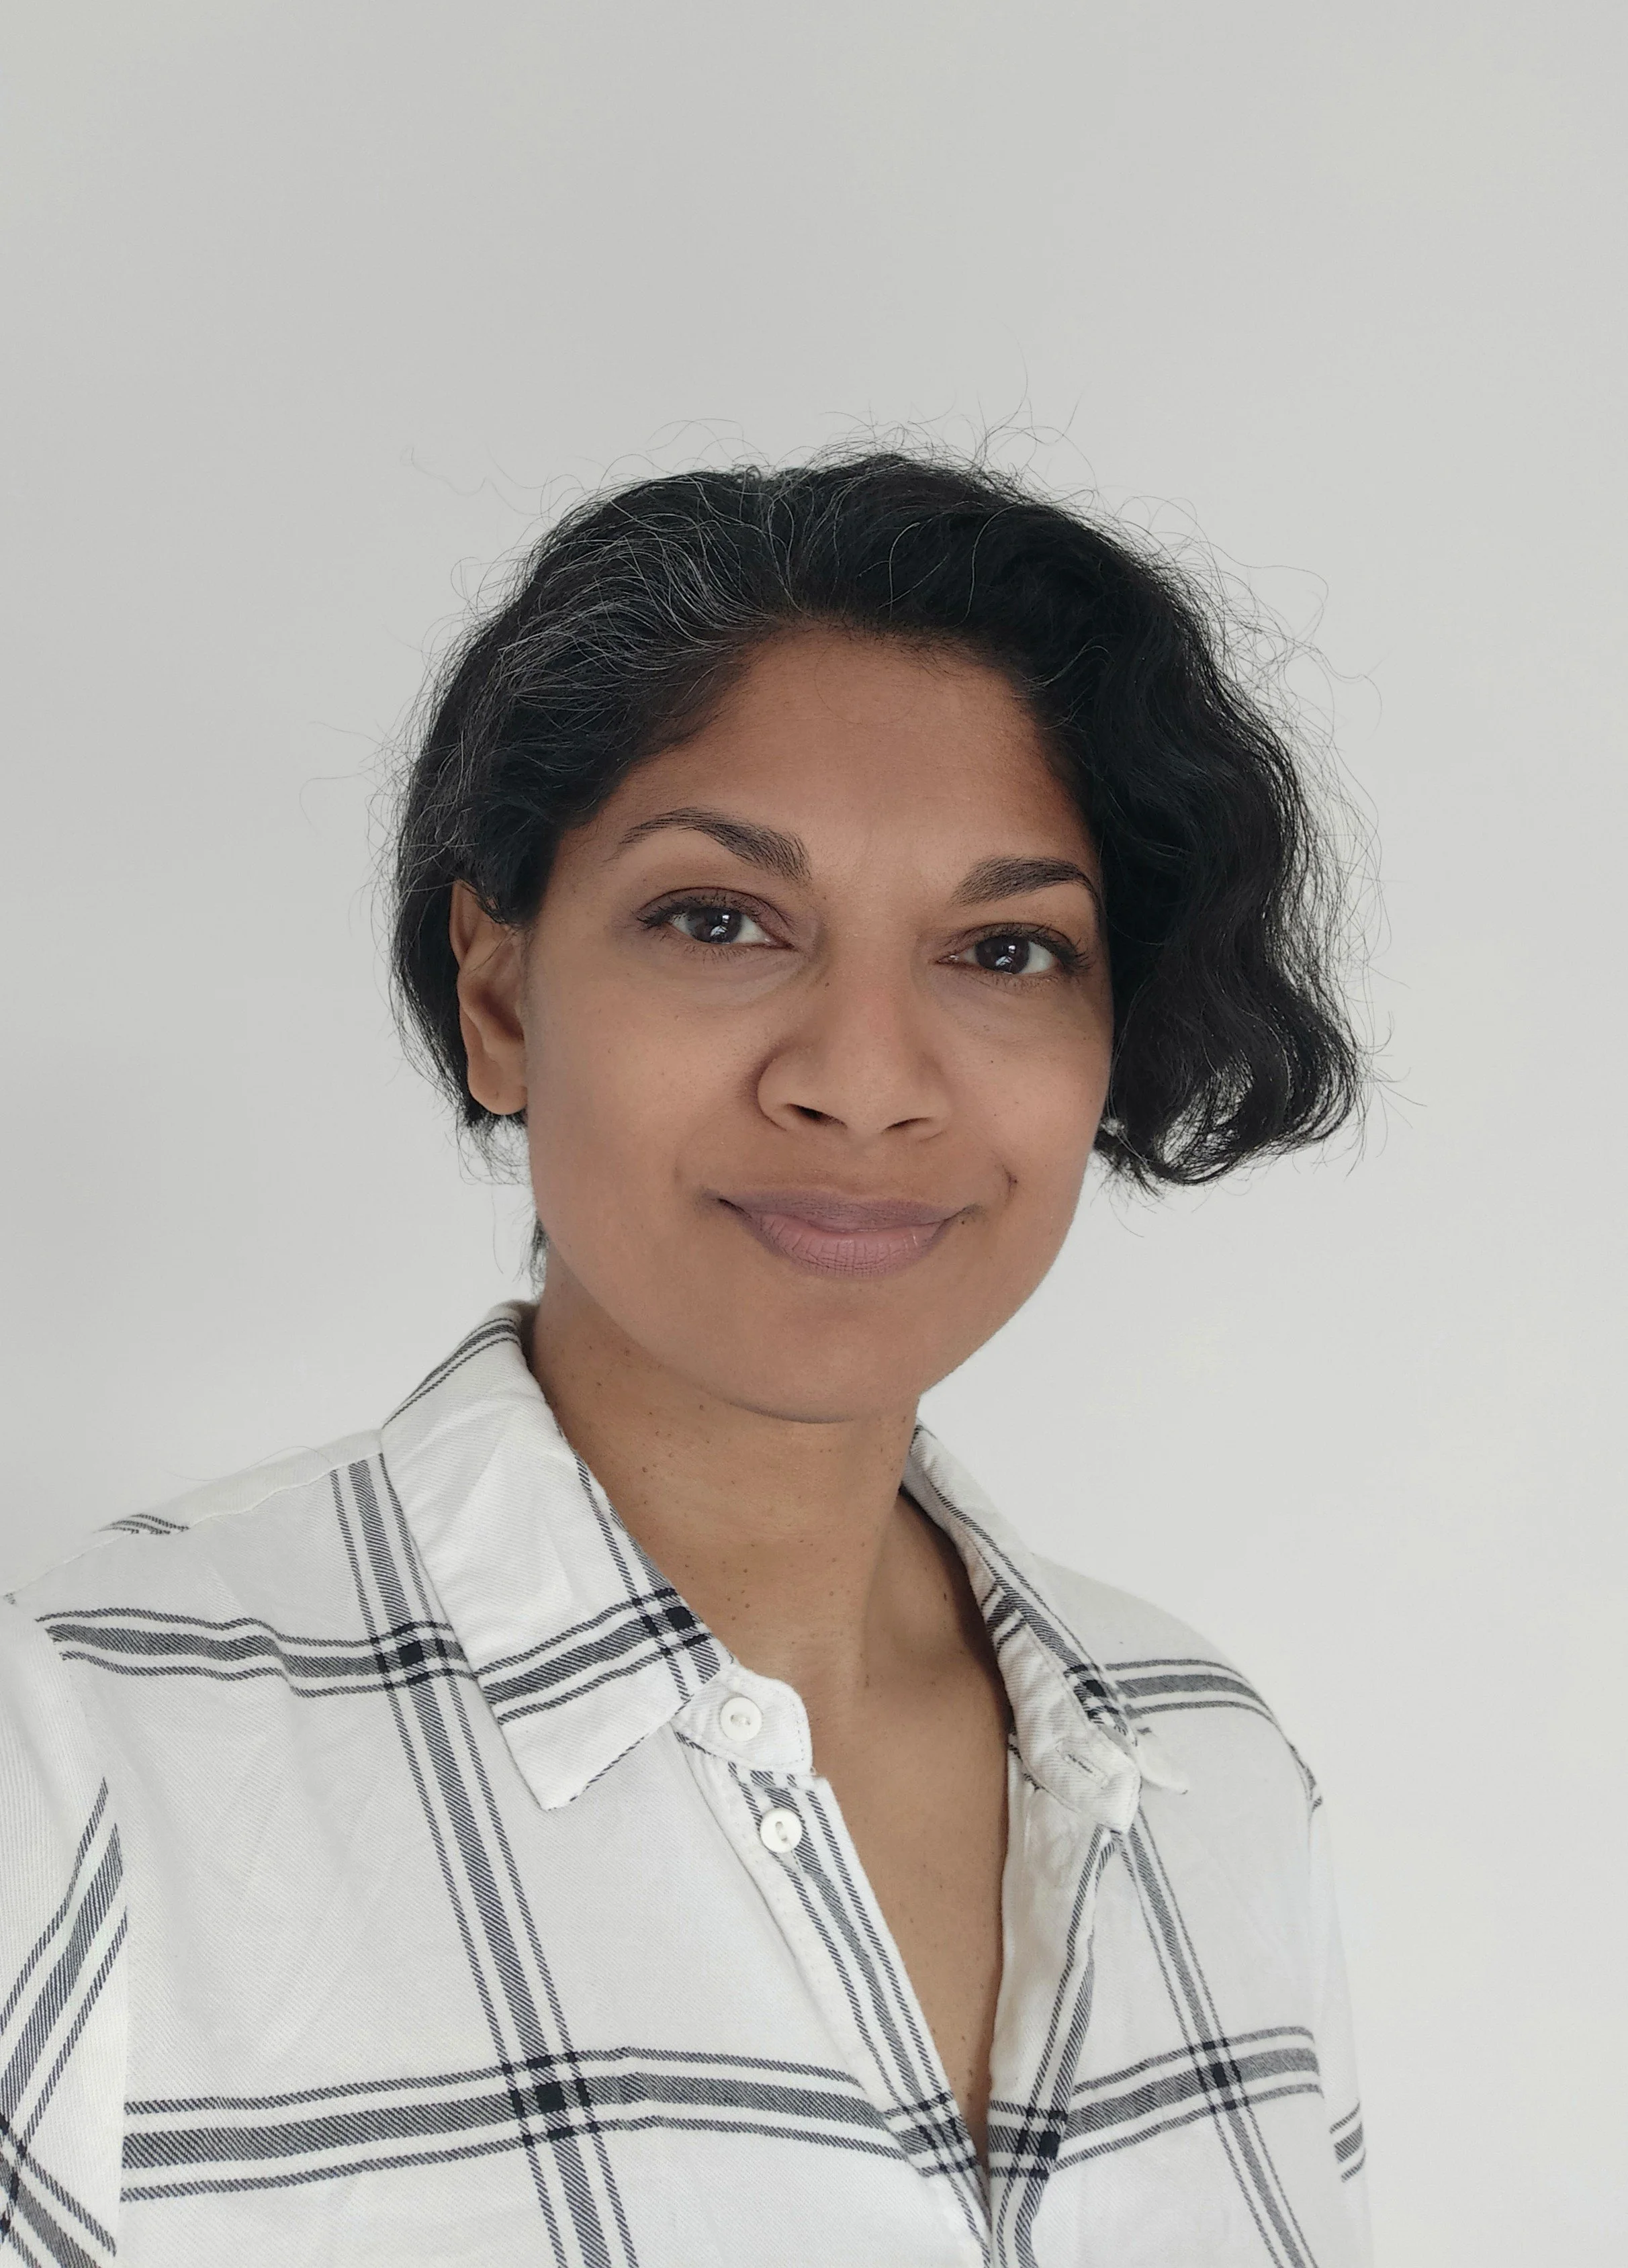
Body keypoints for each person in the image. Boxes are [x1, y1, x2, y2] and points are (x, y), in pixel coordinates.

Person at [0, 451, 1373, 2266]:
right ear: (500, 997)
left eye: (1007, 946)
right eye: (718, 920)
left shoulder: (1211, 1766)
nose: (864, 1076)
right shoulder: (90, 1759)